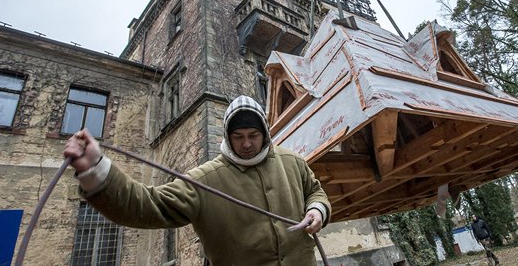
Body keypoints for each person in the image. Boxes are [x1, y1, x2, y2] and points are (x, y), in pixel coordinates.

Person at [64, 95, 331, 266]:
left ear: (265, 134)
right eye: (239, 136)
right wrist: (96, 171)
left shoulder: (292, 162)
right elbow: (147, 205)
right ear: (227, 136)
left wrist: (317, 210)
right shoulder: (204, 179)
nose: (247, 144)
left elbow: (315, 192)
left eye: (253, 135)